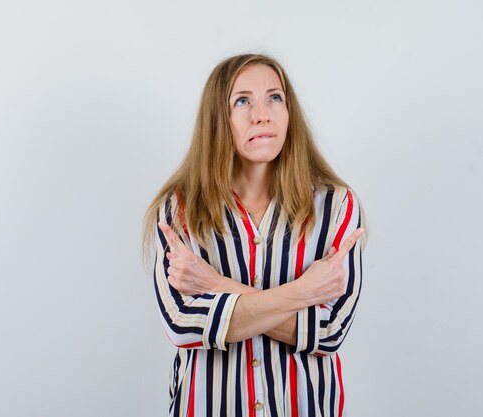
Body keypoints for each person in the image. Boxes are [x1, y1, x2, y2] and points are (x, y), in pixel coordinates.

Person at [142, 53, 366, 417]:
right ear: (218, 120)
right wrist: (304, 293)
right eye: (242, 100)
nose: (262, 114)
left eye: (275, 97)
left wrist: (215, 284)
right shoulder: (180, 209)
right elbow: (183, 325)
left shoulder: (336, 206)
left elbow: (329, 332)